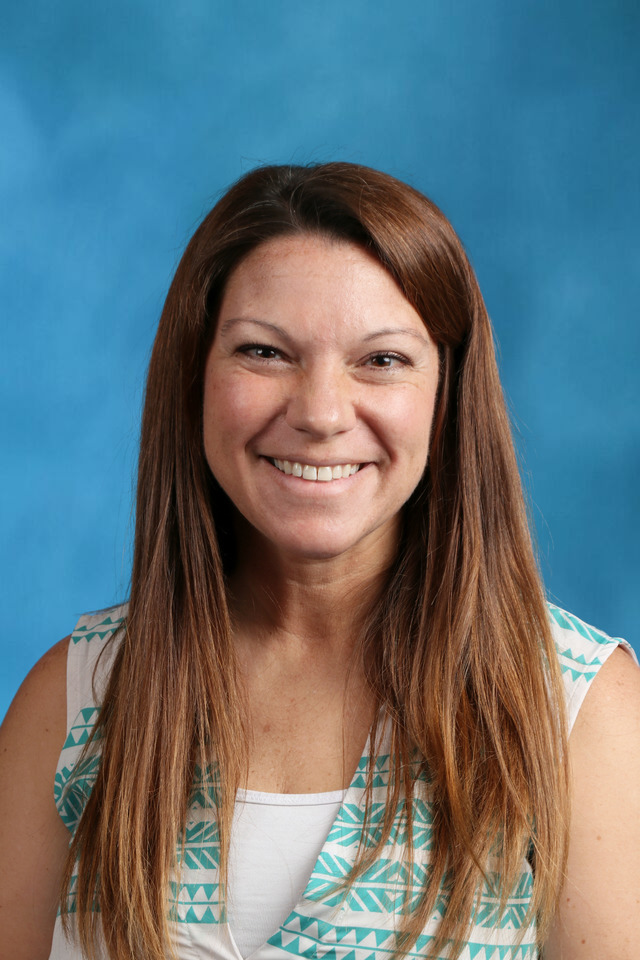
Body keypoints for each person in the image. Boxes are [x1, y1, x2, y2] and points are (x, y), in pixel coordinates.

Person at [0, 162, 638, 960]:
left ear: (448, 395)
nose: (321, 413)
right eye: (265, 352)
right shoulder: (74, 702)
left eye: (382, 360)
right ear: (195, 377)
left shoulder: (573, 713)